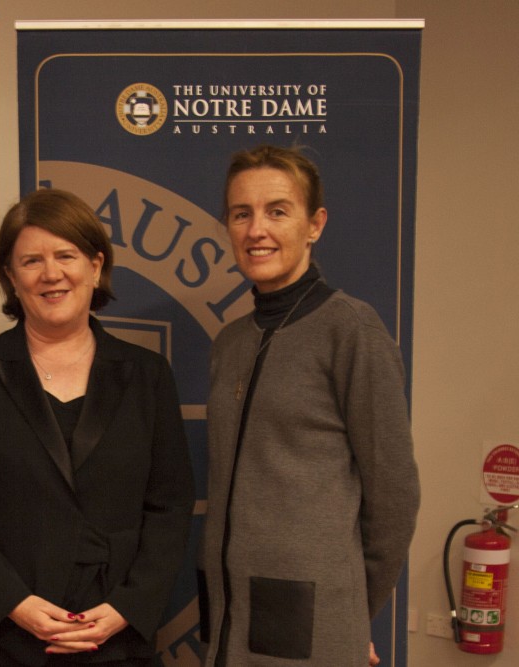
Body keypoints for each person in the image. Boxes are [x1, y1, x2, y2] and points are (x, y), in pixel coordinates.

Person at [0, 188, 195, 666]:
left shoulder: (147, 375)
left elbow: (169, 507)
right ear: (10, 276)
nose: (51, 274)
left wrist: (125, 608)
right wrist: (15, 605)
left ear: (96, 265)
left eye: (65, 255)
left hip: (113, 642)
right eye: (31, 261)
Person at [198, 144, 420, 666]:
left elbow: (394, 495)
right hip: (229, 625)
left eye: (278, 211)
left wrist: (350, 611)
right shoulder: (230, 342)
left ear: (314, 224)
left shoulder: (352, 329)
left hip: (312, 626)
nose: (257, 230)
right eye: (241, 214)